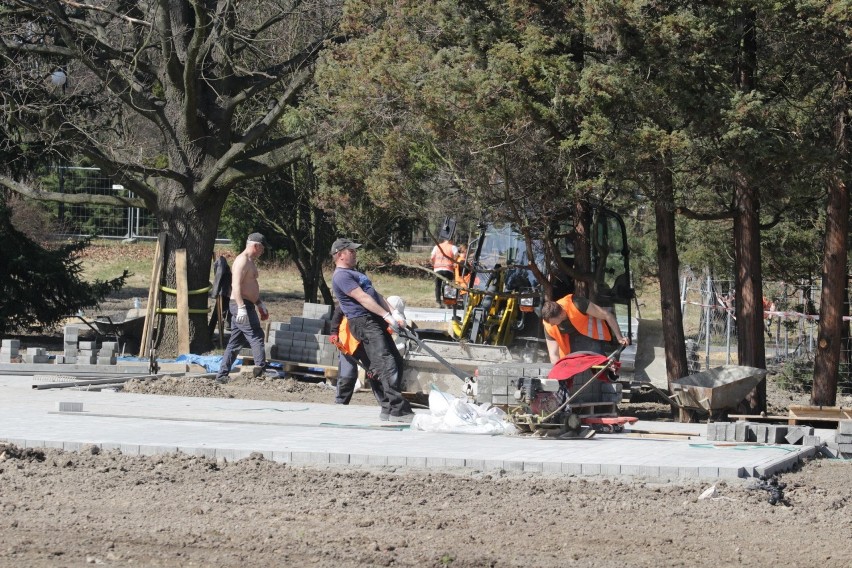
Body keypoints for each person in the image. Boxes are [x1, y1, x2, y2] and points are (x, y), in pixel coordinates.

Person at [331, 237, 415, 422]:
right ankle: (398, 410)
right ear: (339, 255)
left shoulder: (355, 273)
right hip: (364, 322)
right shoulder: (341, 276)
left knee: (394, 362)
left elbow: (375, 295)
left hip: (374, 320)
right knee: (386, 364)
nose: (355, 254)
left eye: (354, 251)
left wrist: (394, 313)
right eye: (350, 251)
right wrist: (386, 316)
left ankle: (388, 408)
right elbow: (362, 298)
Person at [215, 233, 270, 383]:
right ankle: (261, 371)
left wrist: (259, 303)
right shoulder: (242, 261)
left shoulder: (250, 261)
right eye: (262, 248)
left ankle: (221, 376)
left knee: (235, 342)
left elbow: (249, 287)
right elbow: (236, 286)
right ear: (256, 246)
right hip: (241, 304)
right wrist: (241, 307)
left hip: (247, 304)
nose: (262, 252)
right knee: (257, 335)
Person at [541, 294, 629, 364]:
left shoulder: (576, 303)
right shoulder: (548, 325)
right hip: (571, 348)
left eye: (553, 322)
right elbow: (553, 354)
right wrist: (559, 374)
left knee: (601, 365)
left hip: (591, 339)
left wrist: (619, 337)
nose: (551, 325)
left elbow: (607, 315)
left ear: (561, 314)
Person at [328, 304, 386, 406]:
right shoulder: (346, 302)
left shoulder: (371, 303)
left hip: (368, 344)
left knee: (375, 374)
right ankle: (341, 403)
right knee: (347, 375)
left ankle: (385, 403)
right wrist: (334, 333)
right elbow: (337, 316)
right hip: (348, 343)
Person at [431, 237, 458, 308]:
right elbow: (456, 255)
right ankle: (448, 303)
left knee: (438, 286)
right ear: (451, 240)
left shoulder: (437, 246)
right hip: (448, 269)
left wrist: (434, 264)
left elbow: (432, 257)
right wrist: (454, 262)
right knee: (448, 286)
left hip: (437, 269)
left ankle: (438, 303)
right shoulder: (453, 247)